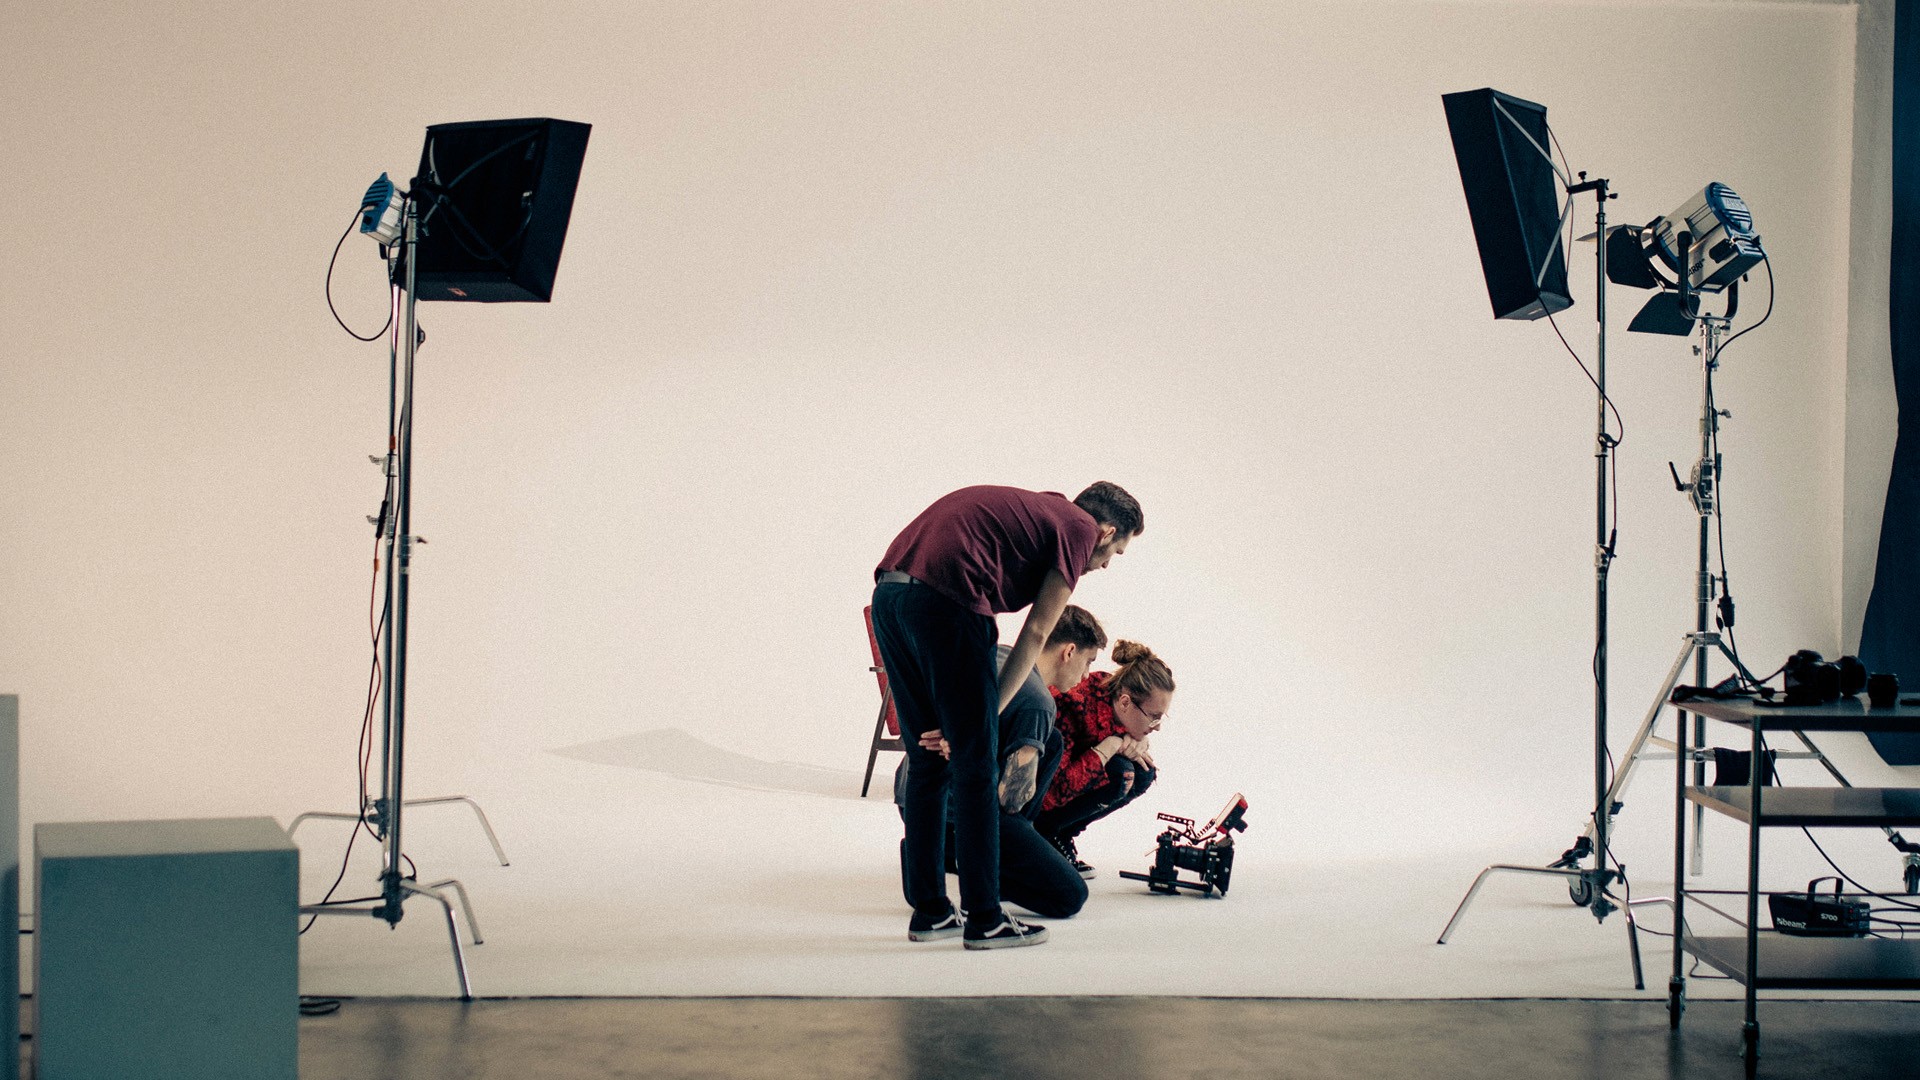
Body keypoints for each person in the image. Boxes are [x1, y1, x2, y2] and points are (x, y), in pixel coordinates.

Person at [872, 482, 1143, 950]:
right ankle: (985, 919)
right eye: (1115, 553)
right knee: (976, 770)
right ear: (1106, 530)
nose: (1104, 565)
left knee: (926, 759)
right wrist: (982, 722)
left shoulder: (1047, 511)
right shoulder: (1078, 530)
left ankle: (931, 912)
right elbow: (1038, 631)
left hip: (891, 599)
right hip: (947, 602)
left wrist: (972, 722)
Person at [894, 605, 1108, 919]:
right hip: (958, 814)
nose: (1086, 674)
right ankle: (952, 855)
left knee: (1053, 742)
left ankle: (939, 847)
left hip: (914, 798)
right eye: (1088, 661)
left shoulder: (998, 656)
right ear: (1069, 651)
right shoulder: (1037, 701)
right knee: (1070, 896)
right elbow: (1010, 801)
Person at [1035, 640, 1175, 879]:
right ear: (1125, 703)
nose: (1158, 727)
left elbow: (1124, 731)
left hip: (1071, 781)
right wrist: (1109, 747)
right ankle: (1044, 834)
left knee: (1143, 773)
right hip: (1039, 800)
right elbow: (1054, 792)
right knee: (1121, 774)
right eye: (1153, 718)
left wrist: (1134, 739)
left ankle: (1062, 834)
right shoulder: (1073, 702)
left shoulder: (1120, 698)